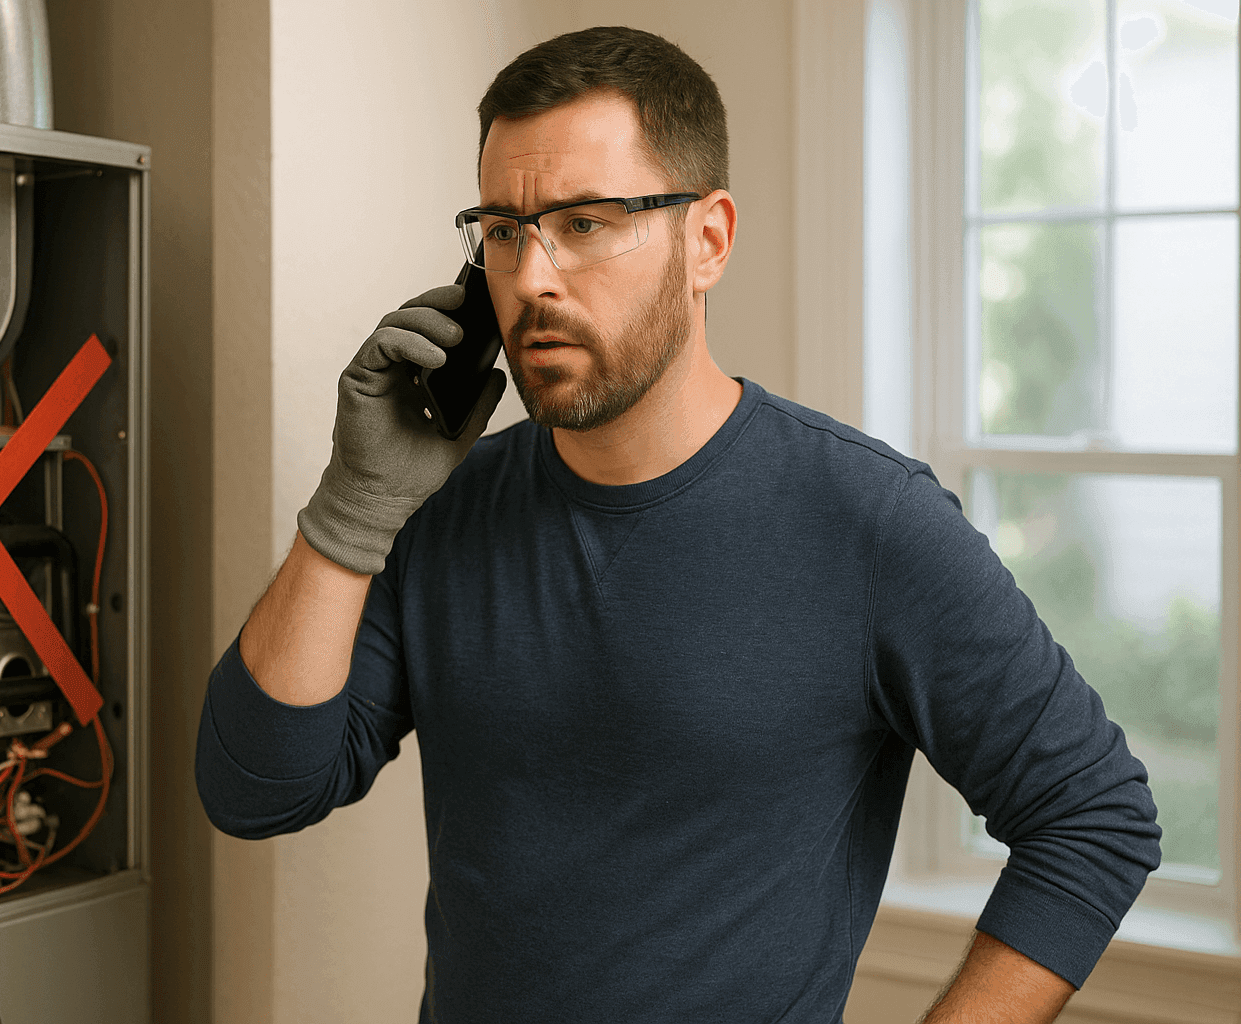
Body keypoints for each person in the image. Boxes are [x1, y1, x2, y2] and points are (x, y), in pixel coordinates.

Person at [195, 25, 1161, 1023]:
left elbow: (1095, 815)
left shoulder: (867, 518)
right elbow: (256, 787)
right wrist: (352, 509)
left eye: (585, 223)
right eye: (503, 229)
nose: (531, 278)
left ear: (708, 240)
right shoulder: (440, 507)